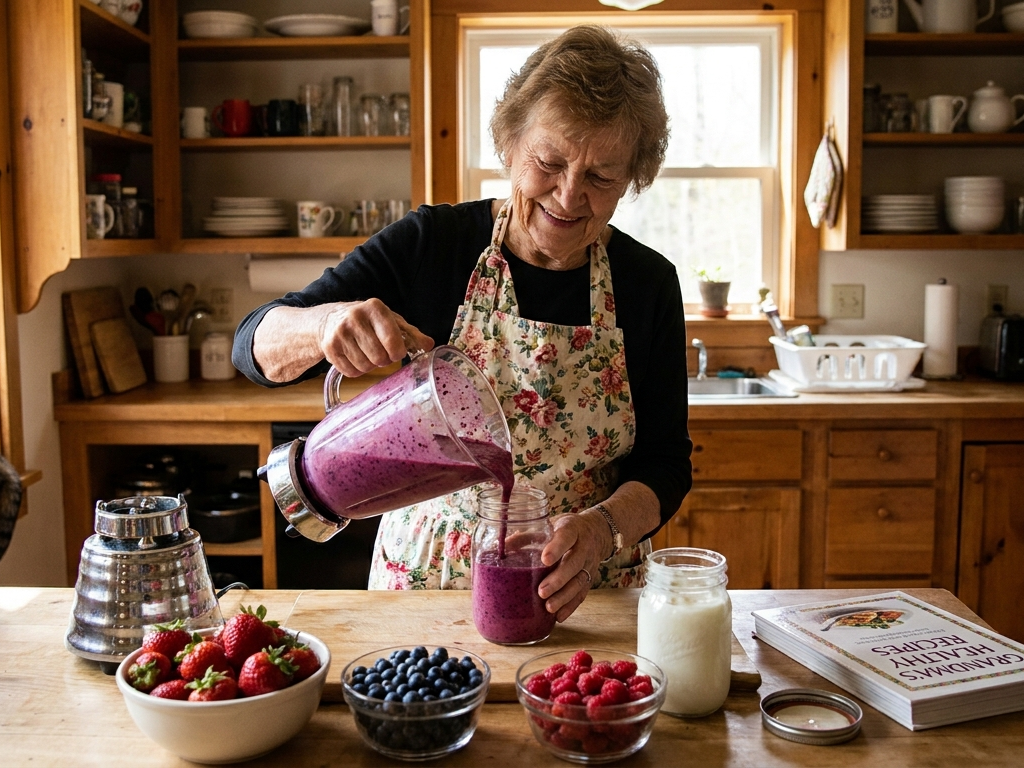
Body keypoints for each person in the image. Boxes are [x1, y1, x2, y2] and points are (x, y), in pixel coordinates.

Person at [234, 25, 691, 622]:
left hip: (583, 586)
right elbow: (252, 346)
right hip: (428, 583)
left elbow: (665, 463)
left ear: (630, 180)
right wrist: (325, 324)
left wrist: (602, 529)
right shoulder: (431, 245)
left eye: (601, 177)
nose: (568, 195)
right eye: (549, 163)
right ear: (509, 144)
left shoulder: (647, 283)